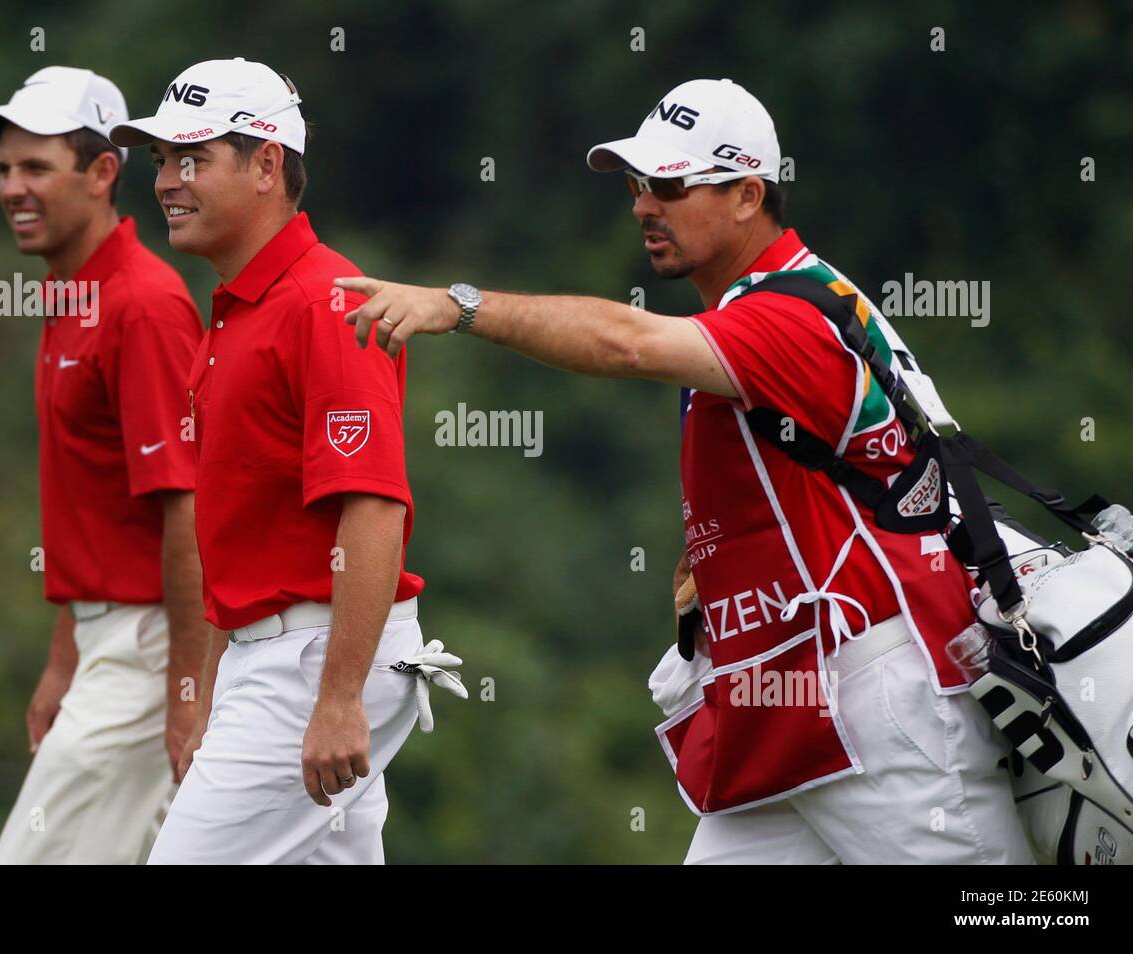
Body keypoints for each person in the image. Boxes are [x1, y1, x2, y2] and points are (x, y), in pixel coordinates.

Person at [337, 78, 1035, 864]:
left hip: (880, 696)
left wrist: (458, 305)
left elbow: (623, 343)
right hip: (787, 704)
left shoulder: (786, 312)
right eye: (638, 185)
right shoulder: (763, 302)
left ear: (747, 195)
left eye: (669, 185)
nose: (642, 205)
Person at [109, 58, 438, 864]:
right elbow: (245, 550)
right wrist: (217, 688)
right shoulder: (236, 314)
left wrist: (338, 697)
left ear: (266, 164)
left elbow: (373, 506)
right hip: (280, 657)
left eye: (192, 159)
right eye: (160, 161)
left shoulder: (325, 302)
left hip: (315, 662)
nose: (167, 183)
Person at [0, 66, 210, 863]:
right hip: (107, 644)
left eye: (37, 167)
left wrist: (183, 692)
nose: (13, 188)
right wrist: (64, 659)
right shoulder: (73, 295)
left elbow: (187, 507)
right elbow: (100, 515)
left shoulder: (140, 303)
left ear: (104, 172)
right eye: (5, 169)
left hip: (147, 652)